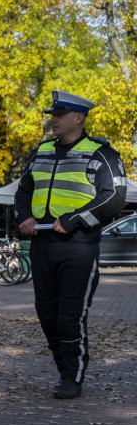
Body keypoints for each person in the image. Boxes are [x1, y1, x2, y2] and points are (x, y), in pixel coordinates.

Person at [13, 90, 127, 399]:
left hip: (78, 245)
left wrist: (74, 219)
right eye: (52, 114)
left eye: (60, 115)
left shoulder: (101, 154)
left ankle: (71, 377)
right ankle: (64, 368)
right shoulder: (41, 152)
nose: (54, 120)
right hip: (42, 245)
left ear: (79, 118)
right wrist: (24, 216)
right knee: (46, 314)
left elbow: (114, 198)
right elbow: (23, 192)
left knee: (70, 315)